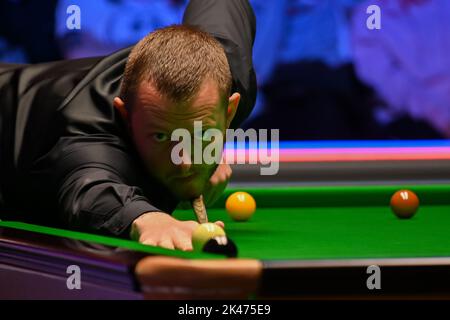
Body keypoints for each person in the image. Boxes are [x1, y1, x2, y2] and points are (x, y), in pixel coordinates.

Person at [0, 0, 257, 251]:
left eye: (200, 132)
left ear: (229, 110)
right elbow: (89, 188)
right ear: (125, 114)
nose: (185, 161)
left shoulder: (225, 72)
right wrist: (148, 219)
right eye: (159, 136)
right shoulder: (88, 132)